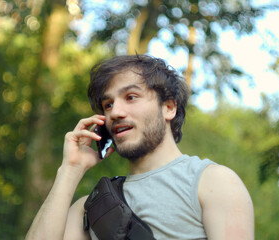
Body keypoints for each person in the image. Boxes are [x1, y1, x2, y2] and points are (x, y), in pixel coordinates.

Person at [25, 55, 254, 240]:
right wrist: (70, 169)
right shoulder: (91, 209)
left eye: (131, 97)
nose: (115, 112)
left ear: (169, 107)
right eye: (108, 104)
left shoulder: (214, 182)